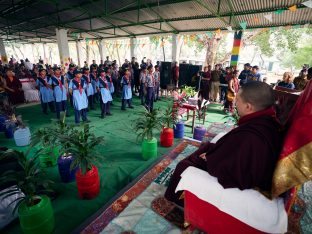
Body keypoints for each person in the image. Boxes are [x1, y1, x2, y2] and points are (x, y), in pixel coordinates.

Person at [165, 81, 283, 207]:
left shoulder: (252, 136)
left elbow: (234, 168)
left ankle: (179, 200)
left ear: (249, 107)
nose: (235, 103)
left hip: (247, 176)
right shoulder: (268, 121)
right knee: (207, 148)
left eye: (237, 99)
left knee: (183, 166)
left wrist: (211, 158)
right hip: (245, 161)